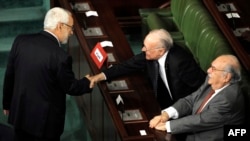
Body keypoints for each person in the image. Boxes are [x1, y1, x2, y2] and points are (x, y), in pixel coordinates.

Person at [2, 7, 93, 141]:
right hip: (45, 126)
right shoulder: (60, 56)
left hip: (20, 115)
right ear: (60, 26)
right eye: (70, 28)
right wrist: (86, 82)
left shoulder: (21, 41)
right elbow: (71, 87)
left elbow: (10, 75)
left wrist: (6, 103)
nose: (71, 32)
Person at [89, 29, 206, 109]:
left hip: (184, 106)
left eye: (147, 48)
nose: (143, 50)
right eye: (144, 45)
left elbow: (202, 87)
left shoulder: (181, 62)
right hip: (161, 101)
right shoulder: (150, 54)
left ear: (161, 51)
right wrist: (100, 76)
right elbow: (126, 66)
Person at [149, 54, 245, 141]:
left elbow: (202, 120)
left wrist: (168, 126)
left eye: (213, 69)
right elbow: (191, 100)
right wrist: (166, 114)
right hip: (191, 131)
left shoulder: (228, 98)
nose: (208, 70)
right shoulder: (211, 80)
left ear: (226, 77)